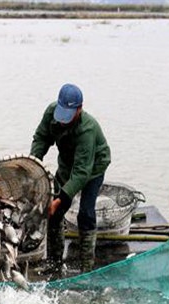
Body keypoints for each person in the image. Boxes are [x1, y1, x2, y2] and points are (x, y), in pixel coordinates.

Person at [30, 83, 111, 273]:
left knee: (85, 213)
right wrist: (34, 163)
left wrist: (60, 200)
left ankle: (86, 266)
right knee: (54, 214)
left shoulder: (87, 129)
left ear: (79, 109)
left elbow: (82, 172)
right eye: (61, 114)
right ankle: (54, 261)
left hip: (93, 168)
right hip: (67, 164)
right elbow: (41, 138)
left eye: (68, 115)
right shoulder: (52, 113)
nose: (63, 121)